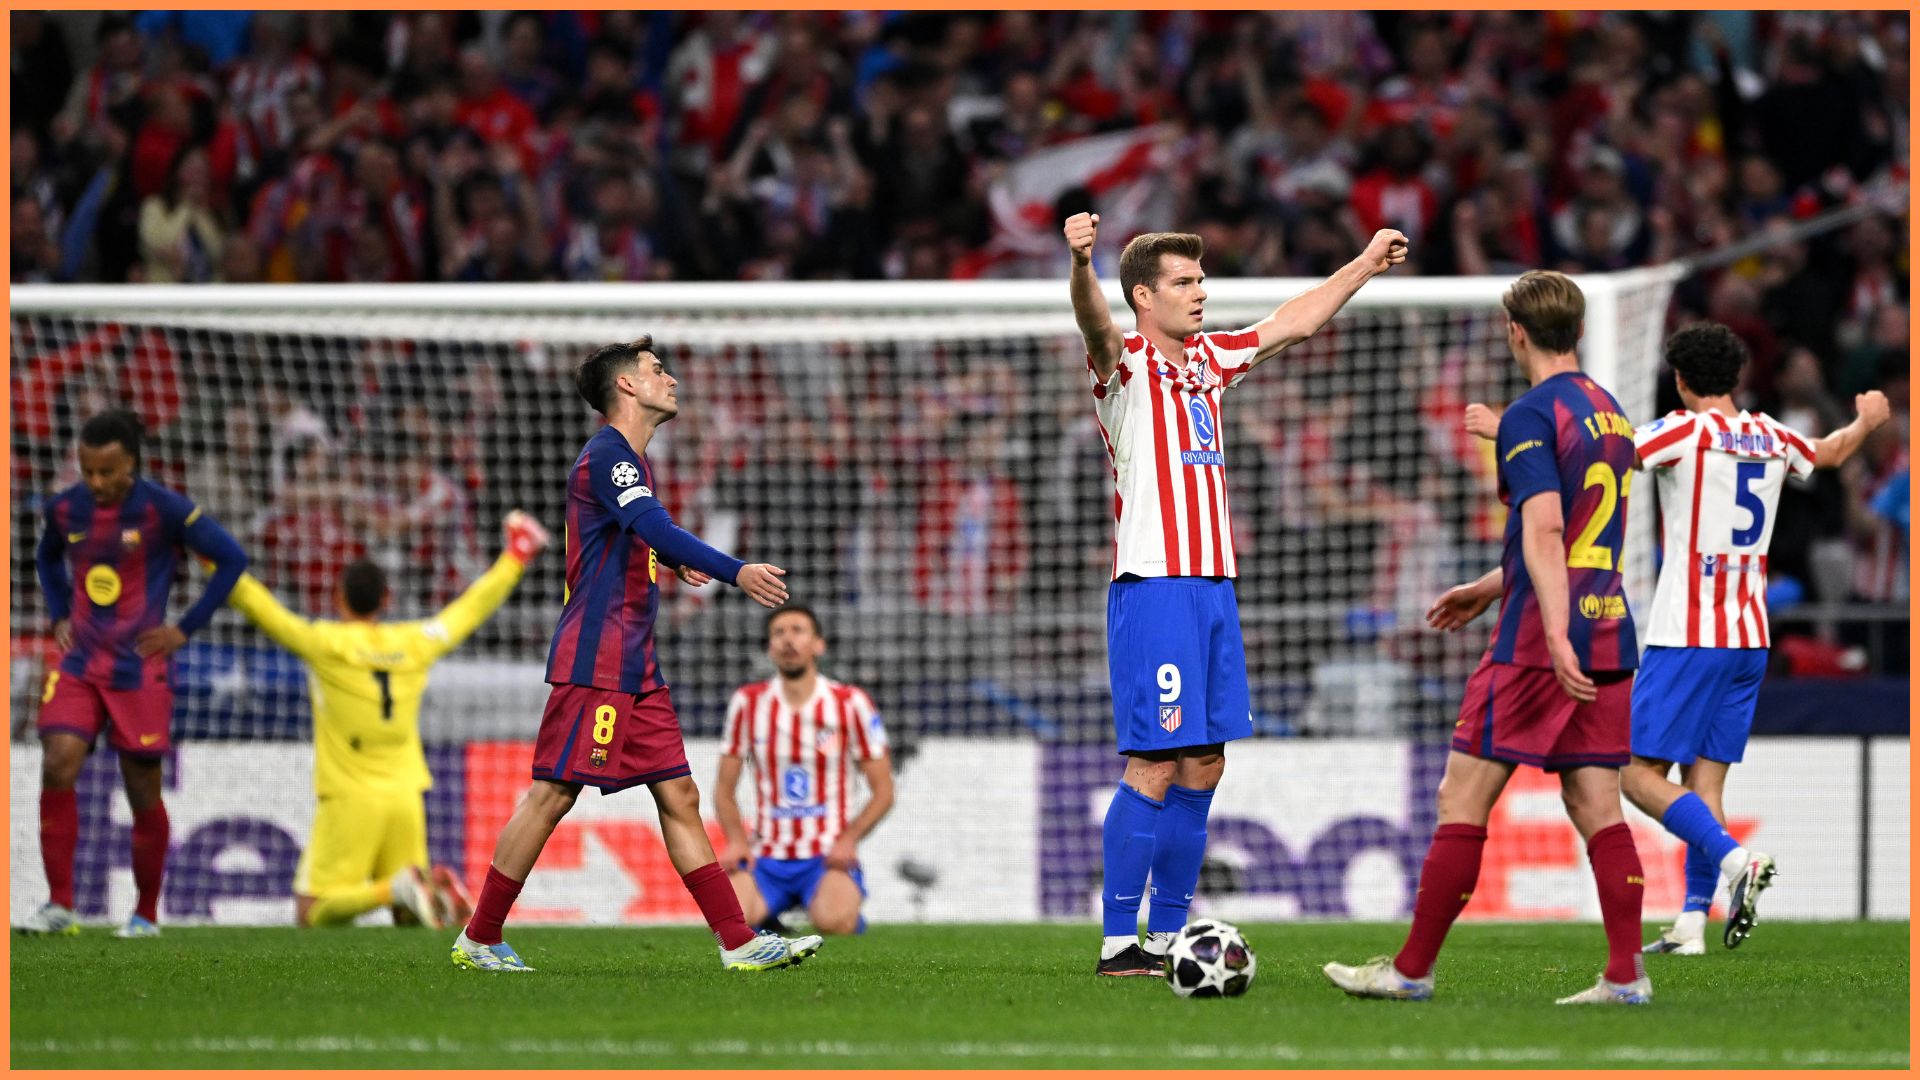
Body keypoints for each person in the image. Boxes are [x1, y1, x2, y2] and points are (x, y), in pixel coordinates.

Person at [1062, 211, 1407, 976]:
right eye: (1184, 282)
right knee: (1154, 761)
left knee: (1206, 763)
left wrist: (1363, 264)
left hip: (1215, 587)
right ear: (1143, 297)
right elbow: (1094, 325)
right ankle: (1120, 942)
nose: (1200, 293)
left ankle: (1173, 933)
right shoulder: (1121, 368)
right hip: (1155, 587)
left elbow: (1292, 322)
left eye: (1201, 279)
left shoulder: (1210, 363)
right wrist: (1082, 264)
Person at [1324, 270, 1650, 1005]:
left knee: (1460, 797)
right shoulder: (1610, 411)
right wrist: (1487, 584)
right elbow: (1582, 538)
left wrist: (1554, 632)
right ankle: (1627, 975)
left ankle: (1409, 972)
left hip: (1542, 639)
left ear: (1516, 332)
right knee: (1598, 802)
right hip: (1609, 628)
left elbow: (1545, 526)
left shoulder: (1532, 414)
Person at [450, 338, 822, 973]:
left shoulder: (631, 463)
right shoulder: (608, 457)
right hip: (597, 656)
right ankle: (479, 936)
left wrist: (669, 560)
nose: (670, 379)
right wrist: (736, 570)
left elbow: (632, 538)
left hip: (634, 660)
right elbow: (650, 526)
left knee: (679, 793)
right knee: (551, 794)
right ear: (626, 387)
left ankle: (739, 942)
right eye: (656, 371)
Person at [1614, 325, 1885, 954]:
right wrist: (1867, 420)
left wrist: (1513, 431)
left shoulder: (1682, 430)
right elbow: (1831, 453)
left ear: (1680, 383)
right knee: (1703, 784)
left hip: (1689, 633)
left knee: (1633, 774)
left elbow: (1612, 457)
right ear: (1735, 379)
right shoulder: (1770, 435)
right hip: (1749, 636)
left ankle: (1737, 861)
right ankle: (1689, 925)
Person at [226, 511, 553, 930]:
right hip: (405, 795)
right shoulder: (413, 642)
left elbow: (261, 607)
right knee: (410, 918)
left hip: (349, 796)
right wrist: (514, 557)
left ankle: (391, 889)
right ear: (386, 600)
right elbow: (469, 610)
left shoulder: (325, 643)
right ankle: (413, 895)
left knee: (312, 913)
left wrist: (210, 556)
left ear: (338, 600)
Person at [21, 409, 248, 937]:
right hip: (79, 662)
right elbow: (47, 557)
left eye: (107, 471)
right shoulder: (65, 508)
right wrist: (58, 612)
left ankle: (145, 913)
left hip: (138, 667)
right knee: (57, 764)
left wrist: (184, 628)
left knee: (142, 789)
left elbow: (232, 559)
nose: (95, 482)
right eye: (87, 470)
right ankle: (59, 905)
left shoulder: (164, 511)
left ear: (131, 465)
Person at [714, 604, 895, 936]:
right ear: (770, 648)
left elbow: (883, 791)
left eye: (798, 631)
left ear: (818, 644)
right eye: (779, 633)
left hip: (825, 856)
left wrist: (849, 841)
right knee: (727, 924)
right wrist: (737, 841)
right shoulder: (748, 703)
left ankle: (837, 907)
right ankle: (768, 920)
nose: (788, 640)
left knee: (835, 923)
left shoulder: (850, 702)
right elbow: (724, 790)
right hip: (765, 857)